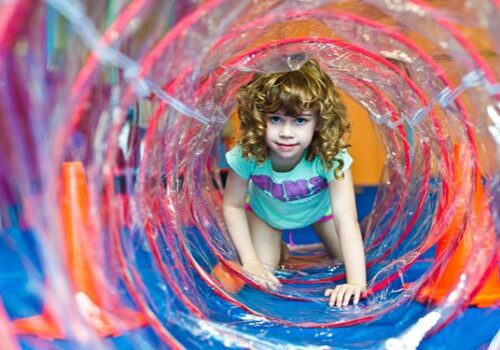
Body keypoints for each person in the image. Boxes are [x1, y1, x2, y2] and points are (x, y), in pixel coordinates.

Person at [222, 58, 366, 307]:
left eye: (300, 121)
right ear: (260, 118)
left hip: (321, 214)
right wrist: (250, 261)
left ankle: (280, 249)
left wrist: (356, 283)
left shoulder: (331, 156)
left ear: (318, 122)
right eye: (276, 119)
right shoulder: (248, 153)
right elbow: (232, 205)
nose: (286, 133)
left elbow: (346, 219)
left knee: (347, 260)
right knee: (265, 274)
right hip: (265, 215)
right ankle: (276, 247)